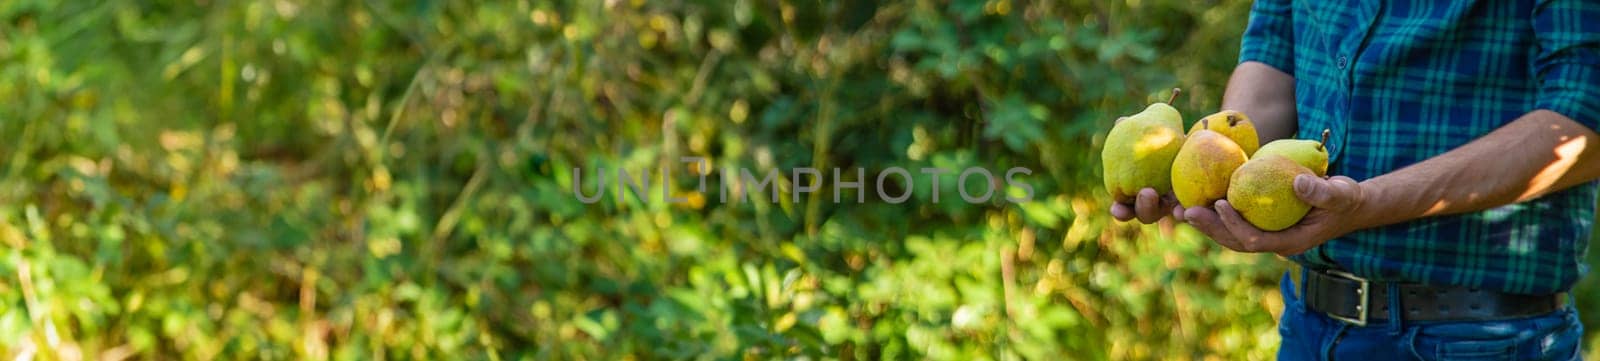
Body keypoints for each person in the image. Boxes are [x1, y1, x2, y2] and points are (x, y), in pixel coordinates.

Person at [1110, 0, 1600, 359]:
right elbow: (1273, 54)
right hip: (1309, 324)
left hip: (1482, 337)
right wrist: (1214, 165)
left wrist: (1366, 203)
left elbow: (1584, 122)